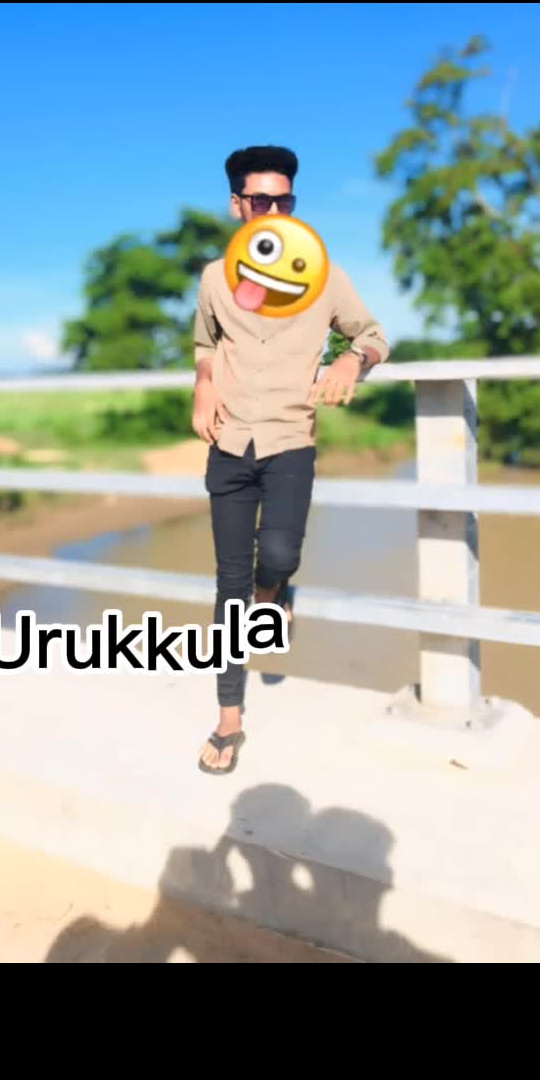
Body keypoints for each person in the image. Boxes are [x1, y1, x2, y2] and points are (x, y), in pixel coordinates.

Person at [192, 145, 389, 774]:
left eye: (285, 201)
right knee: (229, 587)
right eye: (261, 201)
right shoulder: (214, 278)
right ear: (237, 205)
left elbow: (373, 334)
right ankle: (229, 720)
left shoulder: (324, 275)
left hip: (289, 441)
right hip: (228, 441)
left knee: (276, 557)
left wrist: (351, 360)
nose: (274, 212)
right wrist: (202, 383)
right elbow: (205, 344)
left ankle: (274, 590)